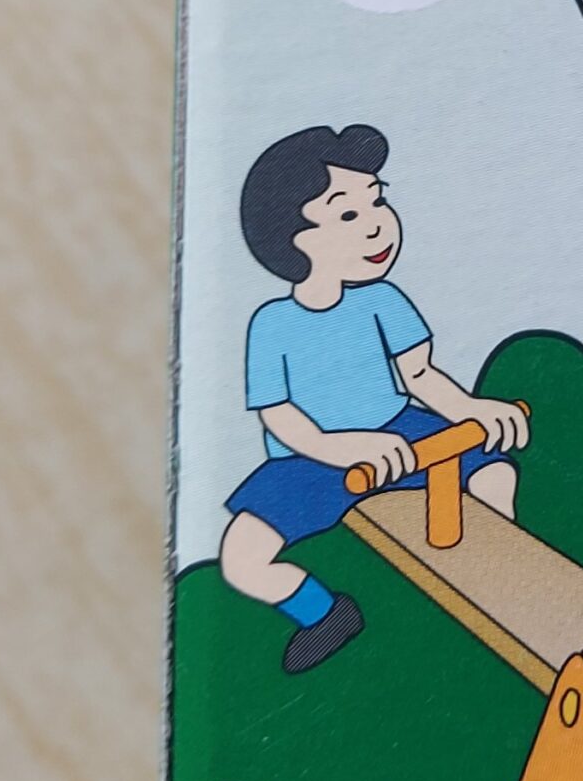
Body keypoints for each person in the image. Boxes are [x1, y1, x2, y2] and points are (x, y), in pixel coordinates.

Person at [219, 123, 527, 673]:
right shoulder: (272, 324)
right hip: (309, 461)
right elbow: (280, 416)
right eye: (347, 215)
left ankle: (501, 572)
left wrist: (473, 411)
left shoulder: (381, 300)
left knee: (495, 471)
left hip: (400, 428)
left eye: (377, 201)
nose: (377, 224)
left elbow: (420, 374)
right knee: (241, 559)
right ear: (296, 239)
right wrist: (344, 448)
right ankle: (323, 614)